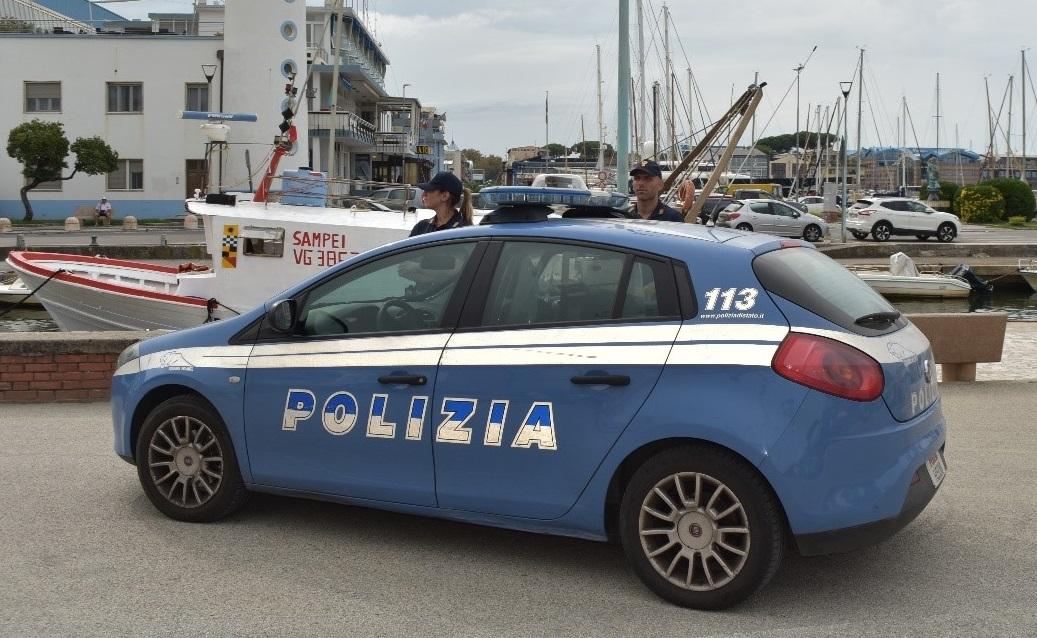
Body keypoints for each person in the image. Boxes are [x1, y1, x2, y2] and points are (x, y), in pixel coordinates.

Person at [408, 172, 473, 237]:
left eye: (429, 190)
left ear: (444, 196)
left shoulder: (464, 231)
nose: (423, 194)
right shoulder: (421, 227)